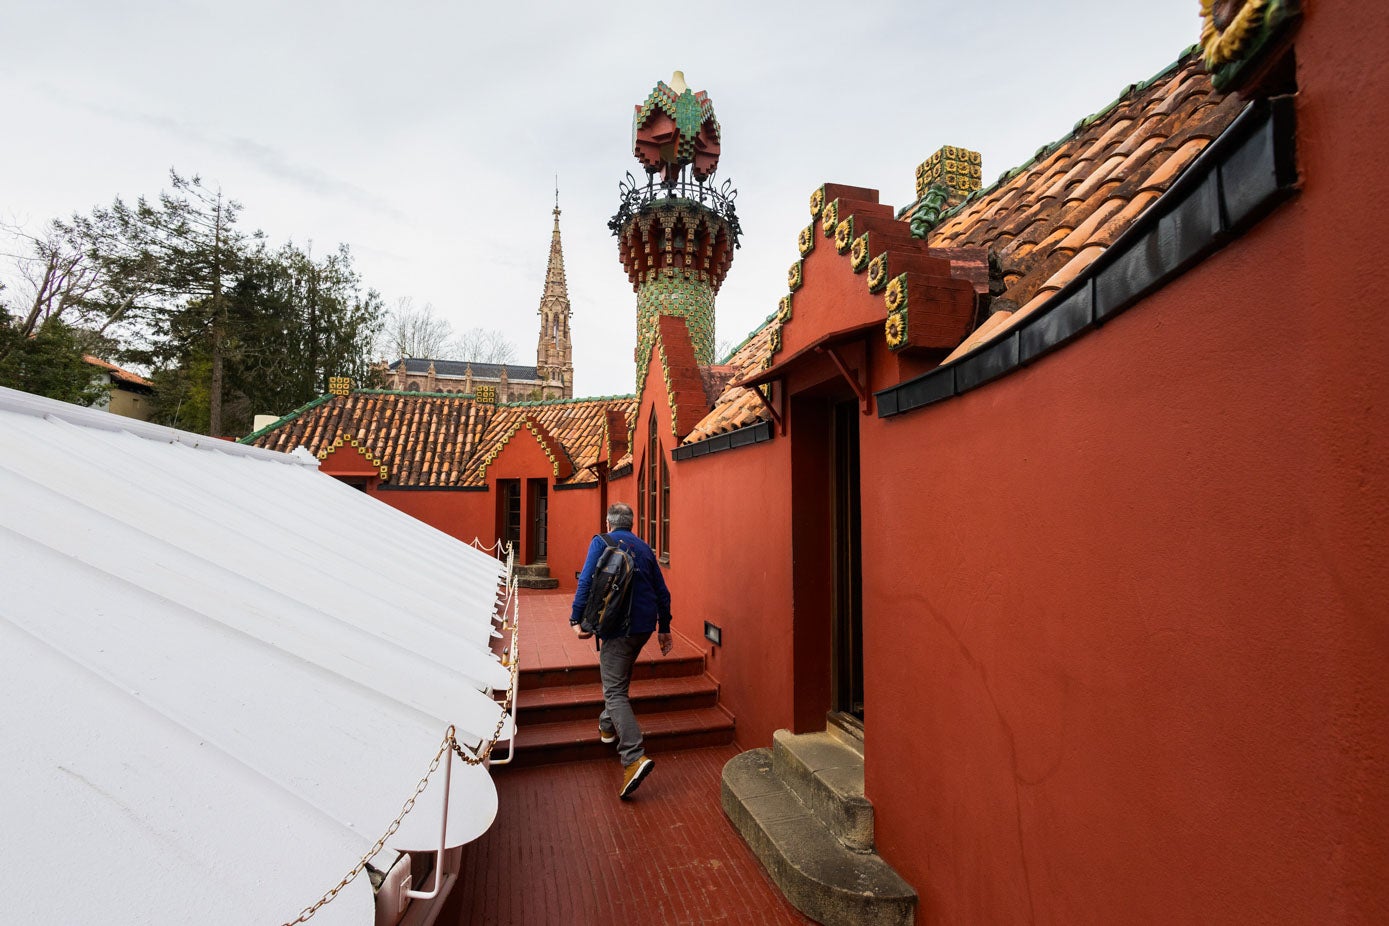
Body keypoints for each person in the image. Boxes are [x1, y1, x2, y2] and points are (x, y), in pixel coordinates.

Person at [570, 502, 673, 798]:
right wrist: (664, 628)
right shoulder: (644, 548)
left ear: (609, 521)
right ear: (632, 523)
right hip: (643, 628)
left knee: (614, 691)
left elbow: (587, 580)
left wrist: (576, 618)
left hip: (618, 629)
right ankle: (606, 726)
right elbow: (662, 592)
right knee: (618, 680)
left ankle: (633, 756)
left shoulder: (601, 541)